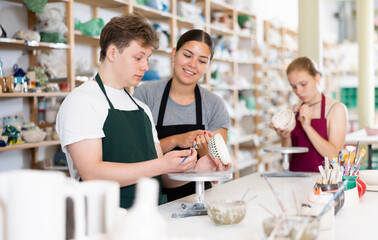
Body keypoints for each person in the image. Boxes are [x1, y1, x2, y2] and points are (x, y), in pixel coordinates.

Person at [56, 13, 229, 209]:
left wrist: (198, 169)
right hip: (104, 220)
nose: (145, 66)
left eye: (147, 58)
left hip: (149, 218)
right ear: (112, 53)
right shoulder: (82, 101)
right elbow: (92, 173)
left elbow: (159, 178)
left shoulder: (141, 108)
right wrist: (162, 164)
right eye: (138, 57)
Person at [133, 29, 230, 201]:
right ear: (174, 53)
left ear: (209, 66)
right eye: (187, 55)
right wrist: (176, 140)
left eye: (202, 60)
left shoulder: (214, 105)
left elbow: (218, 163)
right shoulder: (146, 95)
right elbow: (136, 154)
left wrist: (204, 150)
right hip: (151, 200)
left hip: (199, 199)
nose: (193, 64)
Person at [271, 56, 348, 172]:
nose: (299, 91)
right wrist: (285, 137)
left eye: (303, 84)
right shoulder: (292, 111)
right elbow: (288, 159)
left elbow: (334, 156)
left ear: (317, 77)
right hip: (295, 180)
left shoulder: (336, 109)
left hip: (324, 183)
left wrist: (307, 127)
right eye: (294, 87)